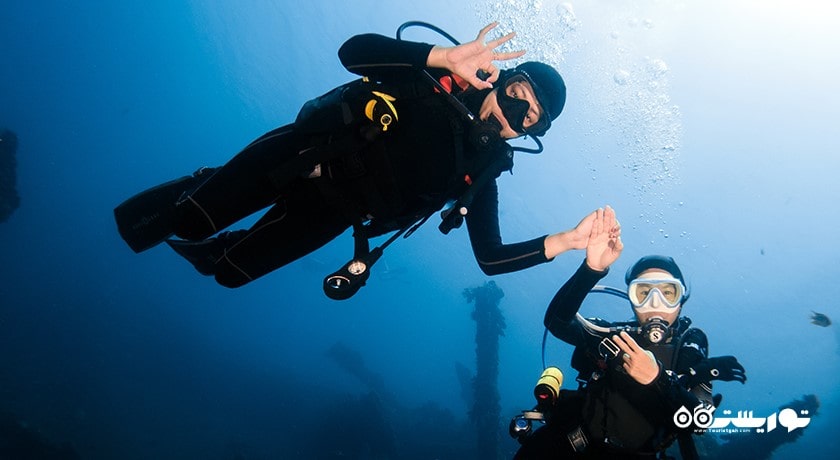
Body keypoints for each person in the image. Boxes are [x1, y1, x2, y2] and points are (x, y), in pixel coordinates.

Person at [114, 22, 598, 296]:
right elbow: (353, 52)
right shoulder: (432, 82)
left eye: (529, 117)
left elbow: (490, 258)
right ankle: (204, 184)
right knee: (189, 220)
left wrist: (568, 241)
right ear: (500, 80)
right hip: (303, 152)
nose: (513, 114)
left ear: (531, 133)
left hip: (331, 212)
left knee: (227, 273)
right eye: (516, 94)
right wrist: (440, 57)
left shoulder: (482, 174)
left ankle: (229, 238)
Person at [513, 207, 747, 459]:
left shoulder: (688, 350)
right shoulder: (614, 336)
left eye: (668, 293)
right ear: (632, 300)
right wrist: (591, 270)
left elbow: (698, 423)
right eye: (643, 292)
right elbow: (556, 322)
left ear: (680, 302)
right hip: (574, 444)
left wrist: (657, 378)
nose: (655, 303)